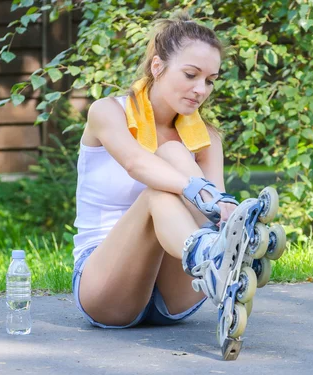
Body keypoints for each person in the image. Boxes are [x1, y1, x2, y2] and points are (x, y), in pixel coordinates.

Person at [71, 14, 247, 333]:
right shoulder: (107, 112)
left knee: (174, 152)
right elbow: (136, 164)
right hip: (106, 286)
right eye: (191, 74)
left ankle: (221, 262)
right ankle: (211, 258)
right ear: (157, 67)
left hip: (176, 294)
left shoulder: (207, 138)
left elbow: (215, 207)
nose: (200, 89)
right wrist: (195, 189)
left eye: (210, 80)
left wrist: (230, 214)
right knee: (156, 190)